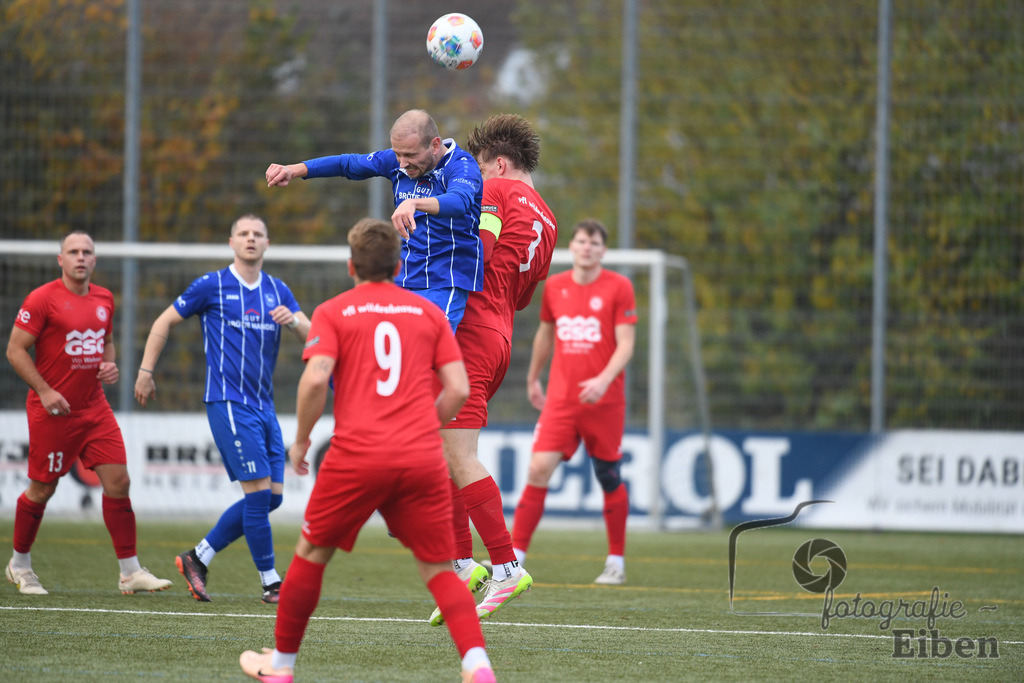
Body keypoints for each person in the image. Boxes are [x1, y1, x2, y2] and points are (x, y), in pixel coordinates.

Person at [239, 217, 495, 683]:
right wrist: (424, 425)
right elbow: (458, 388)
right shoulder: (428, 312)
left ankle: (281, 665)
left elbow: (315, 379)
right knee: (440, 569)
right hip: (419, 458)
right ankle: (478, 667)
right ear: (399, 267)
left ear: (351, 265)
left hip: (357, 456)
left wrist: (301, 440)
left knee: (311, 553)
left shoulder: (334, 311)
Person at [134, 214, 311, 604]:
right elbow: (164, 321)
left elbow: (314, 338)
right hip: (229, 403)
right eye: (243, 233)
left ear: (267, 244)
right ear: (231, 242)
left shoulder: (278, 290)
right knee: (258, 494)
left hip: (265, 407)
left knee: (272, 497)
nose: (250, 239)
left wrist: (294, 322)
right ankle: (271, 583)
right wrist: (146, 371)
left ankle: (198, 557)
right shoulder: (211, 285)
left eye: (258, 234)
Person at [428, 114, 558, 626]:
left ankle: (505, 567)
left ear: (499, 164)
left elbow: (476, 253)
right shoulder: (549, 219)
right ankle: (463, 565)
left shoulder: (495, 191)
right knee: (444, 450)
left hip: (470, 329)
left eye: (479, 168)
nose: (474, 178)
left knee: (458, 455)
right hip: (499, 335)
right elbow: (523, 297)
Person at [5, 231, 173, 596]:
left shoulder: (104, 298)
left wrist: (108, 365)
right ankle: (20, 564)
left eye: (87, 252)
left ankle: (130, 572)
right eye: (73, 252)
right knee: (43, 489)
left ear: (95, 259)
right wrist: (45, 390)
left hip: (94, 407)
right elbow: (15, 350)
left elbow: (106, 342)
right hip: (53, 411)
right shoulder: (42, 299)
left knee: (119, 482)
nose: (80, 257)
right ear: (60, 260)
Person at [265, 108, 483, 332]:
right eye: (397, 154)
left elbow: (460, 201)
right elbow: (348, 164)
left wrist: (414, 203)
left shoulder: (461, 165)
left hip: (445, 280)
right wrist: (294, 170)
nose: (402, 163)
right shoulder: (398, 161)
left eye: (410, 155)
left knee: (426, 344)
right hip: (403, 279)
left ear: (435, 145)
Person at [511, 219, 637, 585]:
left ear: (603, 250)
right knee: (538, 469)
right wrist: (533, 377)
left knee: (608, 476)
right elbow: (545, 334)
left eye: (594, 243)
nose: (587, 248)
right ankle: (513, 559)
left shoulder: (619, 287)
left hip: (604, 402)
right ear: (572, 246)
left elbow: (626, 344)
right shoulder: (555, 286)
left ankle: (615, 562)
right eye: (581, 241)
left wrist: (602, 379)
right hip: (561, 400)